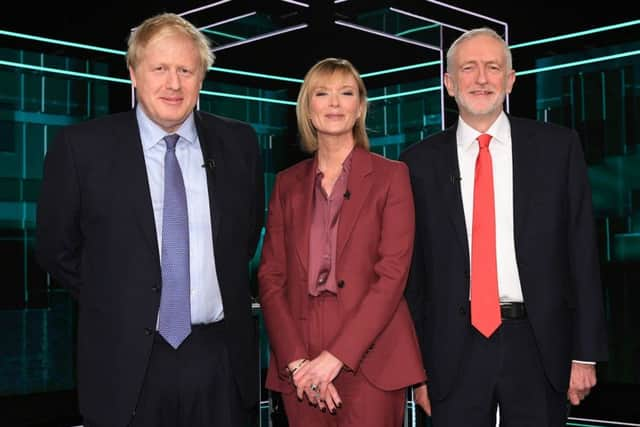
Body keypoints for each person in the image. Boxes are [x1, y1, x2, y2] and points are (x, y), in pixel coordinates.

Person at [36, 13, 264, 427]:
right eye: (159, 68)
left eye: (185, 70)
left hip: (219, 359)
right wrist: (120, 301)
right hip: (124, 361)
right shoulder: (80, 148)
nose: (173, 84)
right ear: (133, 73)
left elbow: (244, 237)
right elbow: (56, 249)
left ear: (201, 78)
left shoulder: (240, 143)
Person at [400, 27, 609, 426]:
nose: (481, 79)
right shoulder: (416, 164)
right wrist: (415, 370)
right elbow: (414, 276)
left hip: (539, 343)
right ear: (449, 83)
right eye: (469, 68)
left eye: (493, 67)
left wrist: (584, 353)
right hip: (449, 351)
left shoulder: (558, 148)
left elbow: (582, 253)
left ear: (510, 79)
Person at [258, 57, 425, 427]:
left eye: (346, 93)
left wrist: (335, 357)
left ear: (360, 107)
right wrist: (298, 362)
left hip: (374, 349)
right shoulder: (286, 184)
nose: (334, 103)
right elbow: (270, 278)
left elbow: (393, 274)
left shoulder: (392, 177)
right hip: (299, 349)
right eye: (322, 93)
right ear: (308, 108)